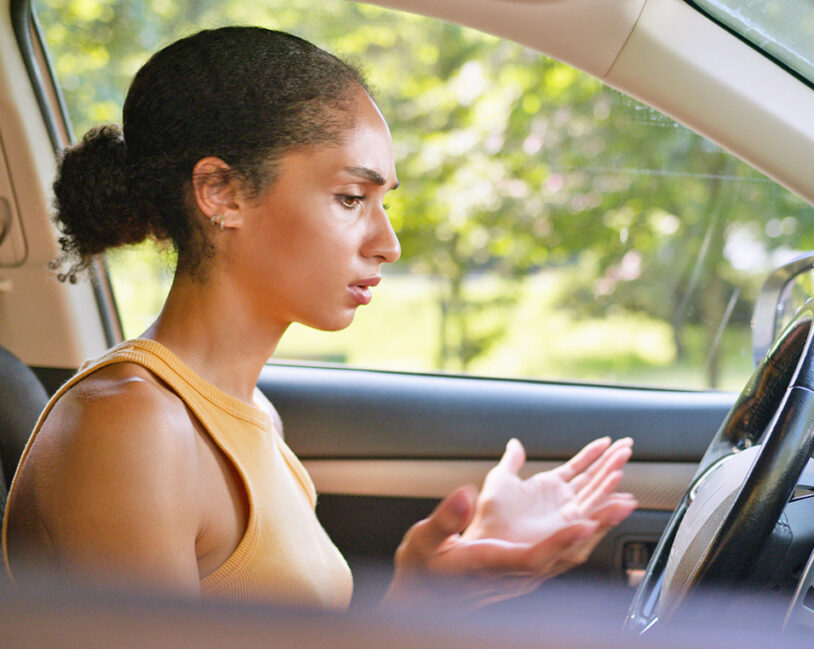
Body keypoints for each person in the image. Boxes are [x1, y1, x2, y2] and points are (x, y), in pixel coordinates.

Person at [1, 26, 637, 610]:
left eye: (383, 202)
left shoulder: (248, 413)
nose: (387, 242)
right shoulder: (129, 427)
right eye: (351, 198)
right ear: (220, 192)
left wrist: (426, 591)